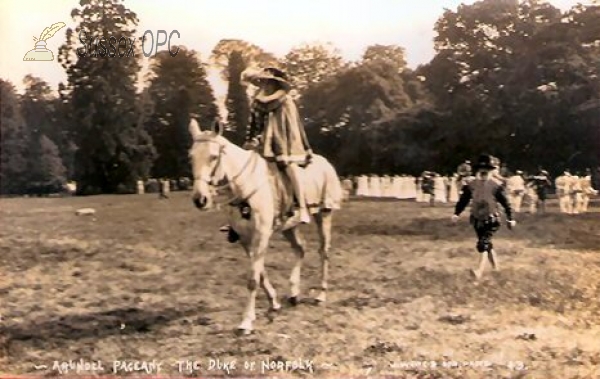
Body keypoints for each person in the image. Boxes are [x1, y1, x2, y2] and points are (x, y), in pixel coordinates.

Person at [243, 67, 313, 229]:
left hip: (284, 142)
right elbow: (253, 123)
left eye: (268, 82)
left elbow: (292, 125)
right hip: (263, 143)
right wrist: (251, 139)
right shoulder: (257, 101)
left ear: (276, 84)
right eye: (262, 82)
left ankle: (302, 207)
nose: (264, 85)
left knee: (290, 168)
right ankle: (243, 210)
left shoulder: (285, 100)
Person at [451, 154, 516, 280]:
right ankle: (496, 268)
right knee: (486, 244)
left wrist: (510, 218)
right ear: (477, 171)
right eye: (481, 169)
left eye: (487, 169)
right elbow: (463, 201)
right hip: (476, 219)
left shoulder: (496, 186)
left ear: (491, 171)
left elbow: (506, 203)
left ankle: (479, 271)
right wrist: (456, 213)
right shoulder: (470, 186)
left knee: (483, 243)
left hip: (492, 219)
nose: (484, 171)